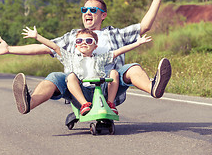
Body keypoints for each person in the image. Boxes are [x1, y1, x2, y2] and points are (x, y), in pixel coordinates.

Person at [0, 0, 174, 115]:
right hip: (79, 90)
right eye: (85, 9)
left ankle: (153, 88)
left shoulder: (114, 34)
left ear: (103, 15)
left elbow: (144, 26)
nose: (87, 12)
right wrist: (9, 49)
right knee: (55, 76)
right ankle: (28, 102)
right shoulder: (74, 37)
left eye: (93, 9)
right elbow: (45, 47)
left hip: (110, 88)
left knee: (132, 68)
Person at [22, 26, 152, 115]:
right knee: (71, 76)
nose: (83, 43)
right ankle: (84, 105)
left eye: (88, 41)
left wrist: (137, 43)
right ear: (76, 45)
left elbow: (119, 51)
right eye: (79, 41)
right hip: (81, 93)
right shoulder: (70, 58)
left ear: (95, 46)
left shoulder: (101, 58)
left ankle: (110, 104)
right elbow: (54, 47)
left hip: (101, 91)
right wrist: (37, 36)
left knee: (114, 72)